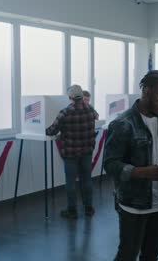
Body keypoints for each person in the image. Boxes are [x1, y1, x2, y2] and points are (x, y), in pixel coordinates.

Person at [104, 70, 158, 261]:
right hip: (133, 205)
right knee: (127, 255)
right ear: (146, 91)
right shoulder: (122, 124)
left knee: (152, 255)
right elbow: (110, 164)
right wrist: (143, 172)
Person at [46, 84, 99, 218]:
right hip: (87, 150)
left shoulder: (65, 112)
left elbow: (51, 130)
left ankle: (72, 210)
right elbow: (95, 119)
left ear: (69, 97)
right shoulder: (91, 110)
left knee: (70, 182)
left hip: (70, 153)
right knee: (86, 179)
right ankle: (88, 208)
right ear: (82, 96)